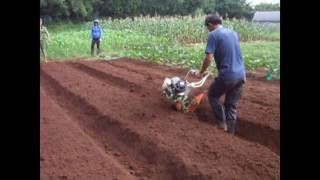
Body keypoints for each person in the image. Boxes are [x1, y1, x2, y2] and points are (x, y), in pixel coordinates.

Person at [194, 14, 246, 135]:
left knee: (212, 95)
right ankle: (230, 133)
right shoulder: (233, 33)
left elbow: (208, 58)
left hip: (228, 75)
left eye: (208, 27)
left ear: (210, 25)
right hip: (241, 74)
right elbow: (232, 53)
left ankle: (221, 125)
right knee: (231, 106)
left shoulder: (213, 34)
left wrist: (201, 71)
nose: (208, 30)